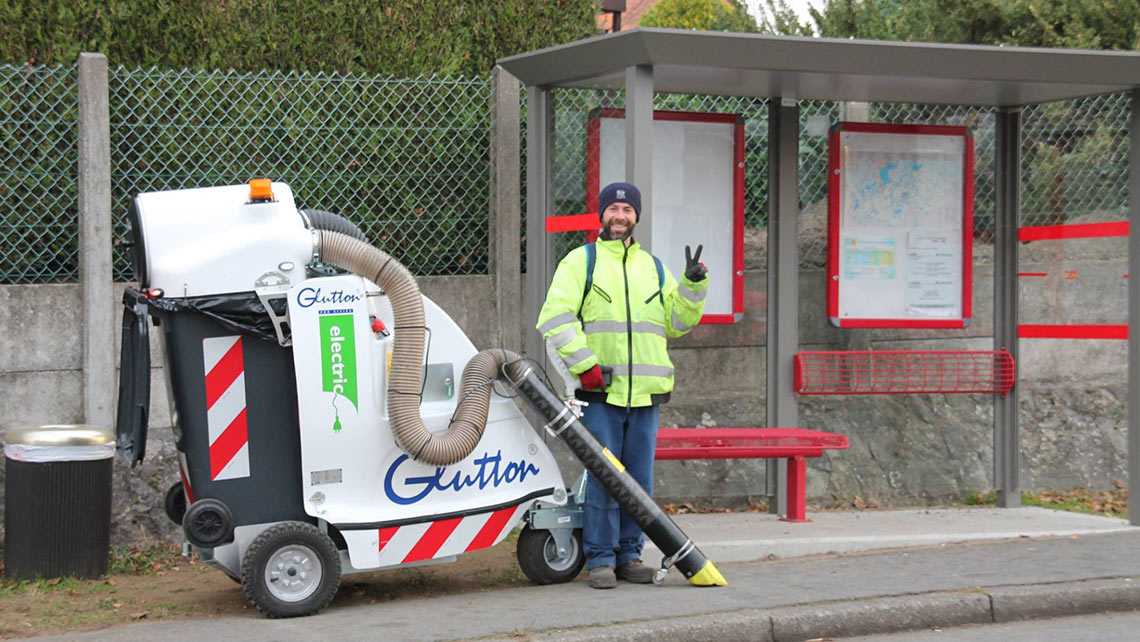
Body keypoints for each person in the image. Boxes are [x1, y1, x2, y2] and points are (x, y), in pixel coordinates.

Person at [536, 181, 708, 589]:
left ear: (636, 217)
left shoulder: (654, 266)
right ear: (602, 215)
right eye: (613, 209)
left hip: (646, 394)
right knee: (605, 477)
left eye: (627, 210)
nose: (620, 216)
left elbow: (677, 324)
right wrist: (586, 365)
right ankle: (599, 559)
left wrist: (693, 285)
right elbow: (554, 318)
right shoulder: (581, 262)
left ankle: (629, 555)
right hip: (601, 393)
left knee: (638, 482)